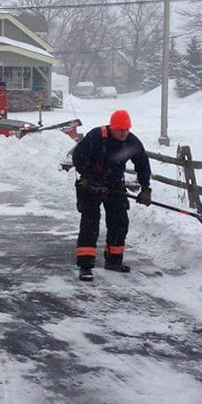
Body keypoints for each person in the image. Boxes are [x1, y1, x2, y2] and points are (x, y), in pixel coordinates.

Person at [71, 110, 152, 280]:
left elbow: (142, 164)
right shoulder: (96, 136)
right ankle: (85, 265)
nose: (123, 133)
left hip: (114, 186)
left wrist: (145, 189)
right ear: (112, 127)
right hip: (90, 186)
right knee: (90, 223)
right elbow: (77, 156)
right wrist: (88, 176)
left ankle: (114, 261)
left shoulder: (132, 142)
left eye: (126, 129)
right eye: (120, 129)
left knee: (119, 222)